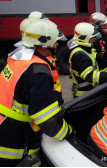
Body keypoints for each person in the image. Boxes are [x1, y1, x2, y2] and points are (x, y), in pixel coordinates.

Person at [0, 19, 74, 167]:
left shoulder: (17, 59)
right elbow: (46, 119)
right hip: (13, 135)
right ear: (42, 42)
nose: (57, 44)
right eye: (54, 41)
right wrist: (67, 132)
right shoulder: (38, 72)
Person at [67, 22, 107, 98]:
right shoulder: (79, 54)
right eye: (92, 37)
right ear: (84, 38)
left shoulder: (83, 49)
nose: (94, 40)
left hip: (88, 91)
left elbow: (93, 55)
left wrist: (104, 55)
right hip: (83, 95)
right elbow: (89, 75)